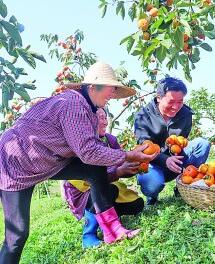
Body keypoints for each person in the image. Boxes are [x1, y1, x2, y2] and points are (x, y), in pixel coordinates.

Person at [0, 61, 158, 264]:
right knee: (17, 236)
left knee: (94, 169)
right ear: (93, 87)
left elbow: (92, 154)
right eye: (111, 89)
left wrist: (123, 162)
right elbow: (88, 152)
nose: (112, 94)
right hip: (17, 164)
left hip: (46, 161)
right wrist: (128, 155)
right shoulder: (73, 104)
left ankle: (113, 231)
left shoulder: (87, 109)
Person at [63, 108, 144, 248]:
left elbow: (120, 166)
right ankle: (88, 234)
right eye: (99, 118)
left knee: (137, 204)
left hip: (107, 188)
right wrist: (118, 172)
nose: (105, 122)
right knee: (108, 190)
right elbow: (88, 181)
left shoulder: (110, 140)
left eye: (105, 117)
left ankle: (107, 220)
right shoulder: (78, 143)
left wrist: (134, 168)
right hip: (83, 195)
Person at [134, 77, 211, 205]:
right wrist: (165, 160)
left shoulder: (186, 114)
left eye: (180, 101)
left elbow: (183, 141)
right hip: (153, 162)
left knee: (202, 144)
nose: (176, 107)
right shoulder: (143, 116)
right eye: (171, 101)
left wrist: (176, 156)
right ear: (159, 98)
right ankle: (152, 196)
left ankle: (183, 185)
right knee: (152, 184)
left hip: (176, 159)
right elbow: (143, 147)